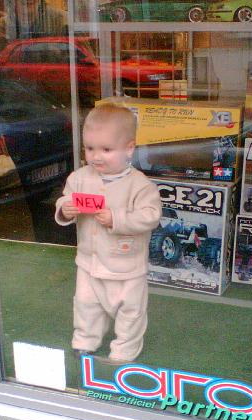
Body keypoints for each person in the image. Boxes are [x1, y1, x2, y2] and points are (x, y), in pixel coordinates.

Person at [55, 103, 161, 365]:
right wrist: (65, 209)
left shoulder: (140, 185)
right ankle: (85, 340)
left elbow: (150, 216)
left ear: (129, 148)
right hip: (89, 263)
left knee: (130, 311)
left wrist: (117, 218)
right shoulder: (79, 178)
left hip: (127, 265)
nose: (96, 157)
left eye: (106, 149)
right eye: (90, 148)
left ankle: (125, 349)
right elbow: (66, 199)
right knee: (86, 304)